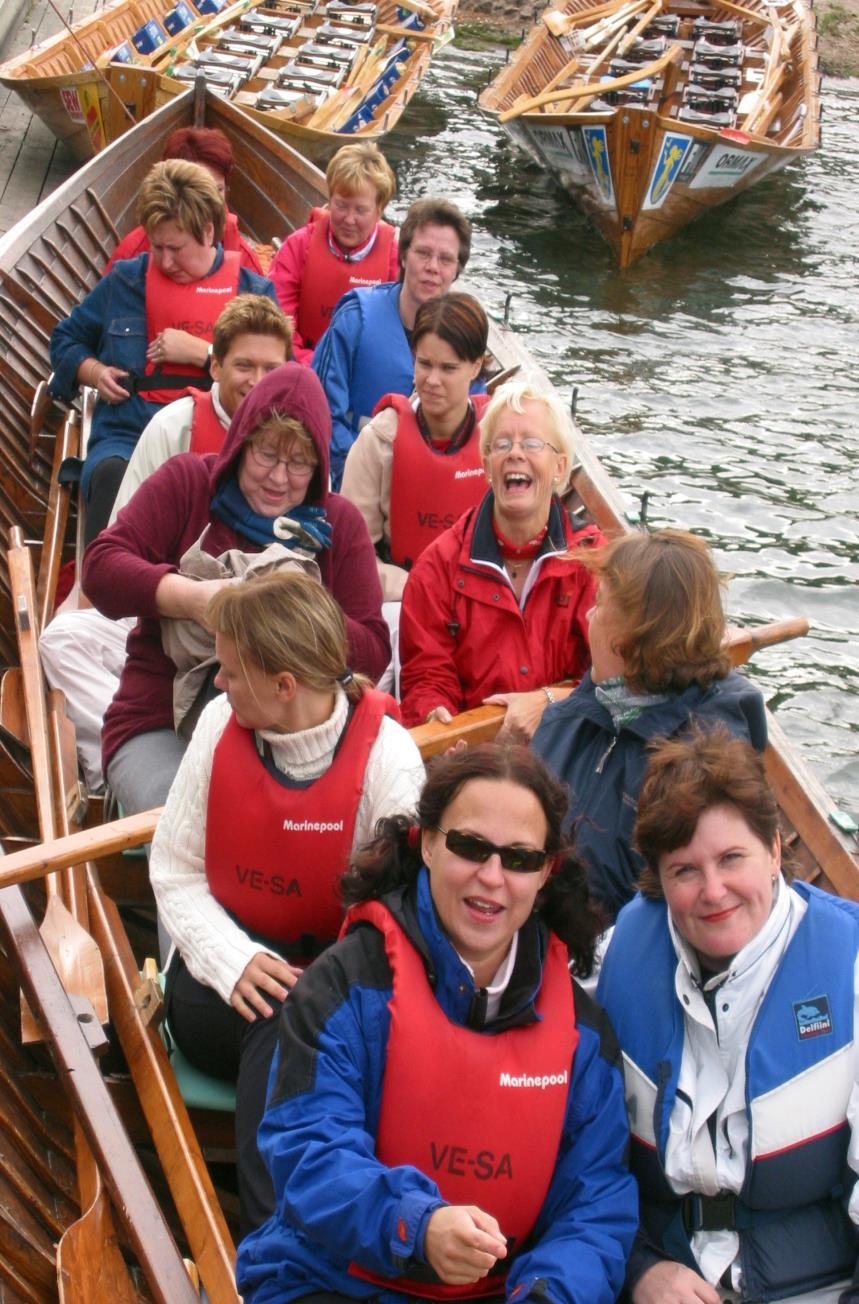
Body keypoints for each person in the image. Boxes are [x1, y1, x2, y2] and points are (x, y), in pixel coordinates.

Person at [237, 740, 637, 1303]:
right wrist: (417, 1226)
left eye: (519, 859)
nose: (492, 877)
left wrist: (550, 1294)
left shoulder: (583, 1032)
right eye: (470, 847)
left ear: (546, 873)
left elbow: (595, 1205)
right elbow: (309, 1152)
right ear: (426, 844)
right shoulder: (346, 986)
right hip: (334, 1280)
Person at [150, 569, 424, 1236]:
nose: (217, 684)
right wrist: (233, 959)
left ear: (284, 685)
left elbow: (404, 921)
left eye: (231, 671)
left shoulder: (389, 759)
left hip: (339, 987)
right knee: (276, 1013)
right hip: (219, 985)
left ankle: (278, 1238)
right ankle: (279, 1241)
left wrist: (320, 987)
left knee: (294, 1015)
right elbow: (173, 871)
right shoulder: (219, 725)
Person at [597, 725, 859, 1304]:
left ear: (773, 850)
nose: (713, 891)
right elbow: (583, 1158)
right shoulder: (622, 954)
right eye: (685, 870)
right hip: (662, 1269)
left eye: (731, 858)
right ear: (660, 880)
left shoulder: (851, 964)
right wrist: (639, 1269)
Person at [82, 363, 390, 827]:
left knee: (315, 831)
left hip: (293, 738)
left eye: (299, 463)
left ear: (320, 466)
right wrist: (195, 598)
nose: (280, 478)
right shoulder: (188, 485)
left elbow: (371, 652)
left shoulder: (338, 526)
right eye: (267, 454)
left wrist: (296, 607)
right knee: (194, 824)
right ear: (241, 444)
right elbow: (101, 569)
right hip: (160, 720)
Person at [39, 294, 293, 790]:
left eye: (271, 367)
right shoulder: (175, 430)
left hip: (268, 642)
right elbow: (115, 551)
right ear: (214, 365)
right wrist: (186, 599)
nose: (258, 381)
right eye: (244, 365)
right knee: (61, 639)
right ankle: (116, 762)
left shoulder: (303, 448)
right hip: (163, 626)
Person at [532, 528, 767, 919]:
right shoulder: (565, 720)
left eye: (600, 603)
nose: (588, 615)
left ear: (635, 635)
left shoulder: (704, 761)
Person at [50, 159, 277, 542]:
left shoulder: (253, 292)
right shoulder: (125, 281)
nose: (166, 262)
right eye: (157, 247)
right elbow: (65, 341)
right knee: (109, 475)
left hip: (221, 442)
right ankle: (102, 588)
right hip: (127, 436)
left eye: (176, 248)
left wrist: (205, 356)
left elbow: (276, 380)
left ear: (208, 231)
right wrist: (93, 372)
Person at [398, 380, 603, 733]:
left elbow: (615, 677)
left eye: (532, 443)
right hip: (476, 758)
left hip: (568, 743)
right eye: (502, 444)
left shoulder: (595, 562)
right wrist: (436, 715)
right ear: (487, 465)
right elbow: (426, 676)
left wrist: (547, 701)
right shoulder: (436, 568)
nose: (515, 453)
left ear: (559, 467)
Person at [312, 197, 475, 489]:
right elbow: (320, 414)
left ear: (457, 269)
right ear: (403, 256)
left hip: (429, 489)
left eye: (446, 259)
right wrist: (370, 477)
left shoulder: (467, 340)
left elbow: (473, 433)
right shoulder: (354, 321)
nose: (433, 267)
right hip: (351, 480)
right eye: (423, 253)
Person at [341, 290, 490, 602]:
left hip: (478, 599)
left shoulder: (498, 442)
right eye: (424, 364)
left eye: (448, 368)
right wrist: (421, 589)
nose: (432, 380)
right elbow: (355, 553)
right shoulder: (379, 441)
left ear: (476, 367)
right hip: (399, 599)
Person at [269, 141, 399, 365]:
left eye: (360, 210)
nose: (349, 219)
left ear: (379, 210)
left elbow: (398, 334)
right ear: (330, 200)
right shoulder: (298, 247)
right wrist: (316, 368)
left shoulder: (394, 258)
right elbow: (279, 322)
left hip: (364, 372)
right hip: (303, 367)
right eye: (341, 205)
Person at [105, 125, 264, 274]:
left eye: (218, 189)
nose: (208, 203)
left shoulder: (245, 263)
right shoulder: (132, 253)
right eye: (195, 191)